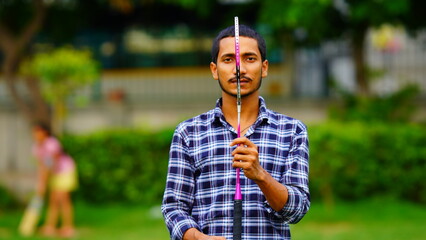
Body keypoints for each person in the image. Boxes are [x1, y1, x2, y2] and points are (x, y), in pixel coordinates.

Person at [162, 25, 310, 240]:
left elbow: (297, 210)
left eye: (249, 59)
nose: (239, 68)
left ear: (265, 67)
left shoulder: (292, 131)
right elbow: (174, 207)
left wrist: (261, 176)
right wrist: (196, 237)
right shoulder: (189, 132)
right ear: (214, 69)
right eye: (228, 59)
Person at [32, 122, 78, 238]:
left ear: (45, 132)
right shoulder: (37, 147)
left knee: (63, 199)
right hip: (54, 174)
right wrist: (41, 182)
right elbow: (42, 165)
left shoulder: (51, 143)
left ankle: (68, 227)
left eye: (38, 132)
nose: (36, 134)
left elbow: (52, 162)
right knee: (53, 200)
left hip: (64, 171)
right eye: (35, 132)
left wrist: (44, 180)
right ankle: (50, 226)